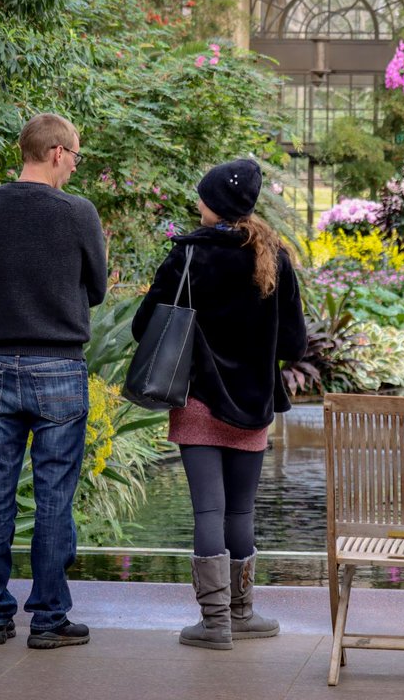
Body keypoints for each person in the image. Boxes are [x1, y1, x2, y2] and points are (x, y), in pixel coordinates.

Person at [132, 158, 306, 650]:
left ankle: (214, 624)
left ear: (216, 204)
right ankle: (242, 612)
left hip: (197, 401)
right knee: (241, 513)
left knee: (209, 512)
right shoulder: (275, 256)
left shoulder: (188, 255)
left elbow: (144, 327)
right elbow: (294, 342)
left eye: (202, 195)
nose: (197, 203)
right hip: (252, 403)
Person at [0, 112, 106, 649]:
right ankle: (49, 618)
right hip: (58, 367)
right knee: (54, 495)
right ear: (55, 152)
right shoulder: (77, 213)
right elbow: (94, 288)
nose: (74, 165)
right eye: (75, 155)